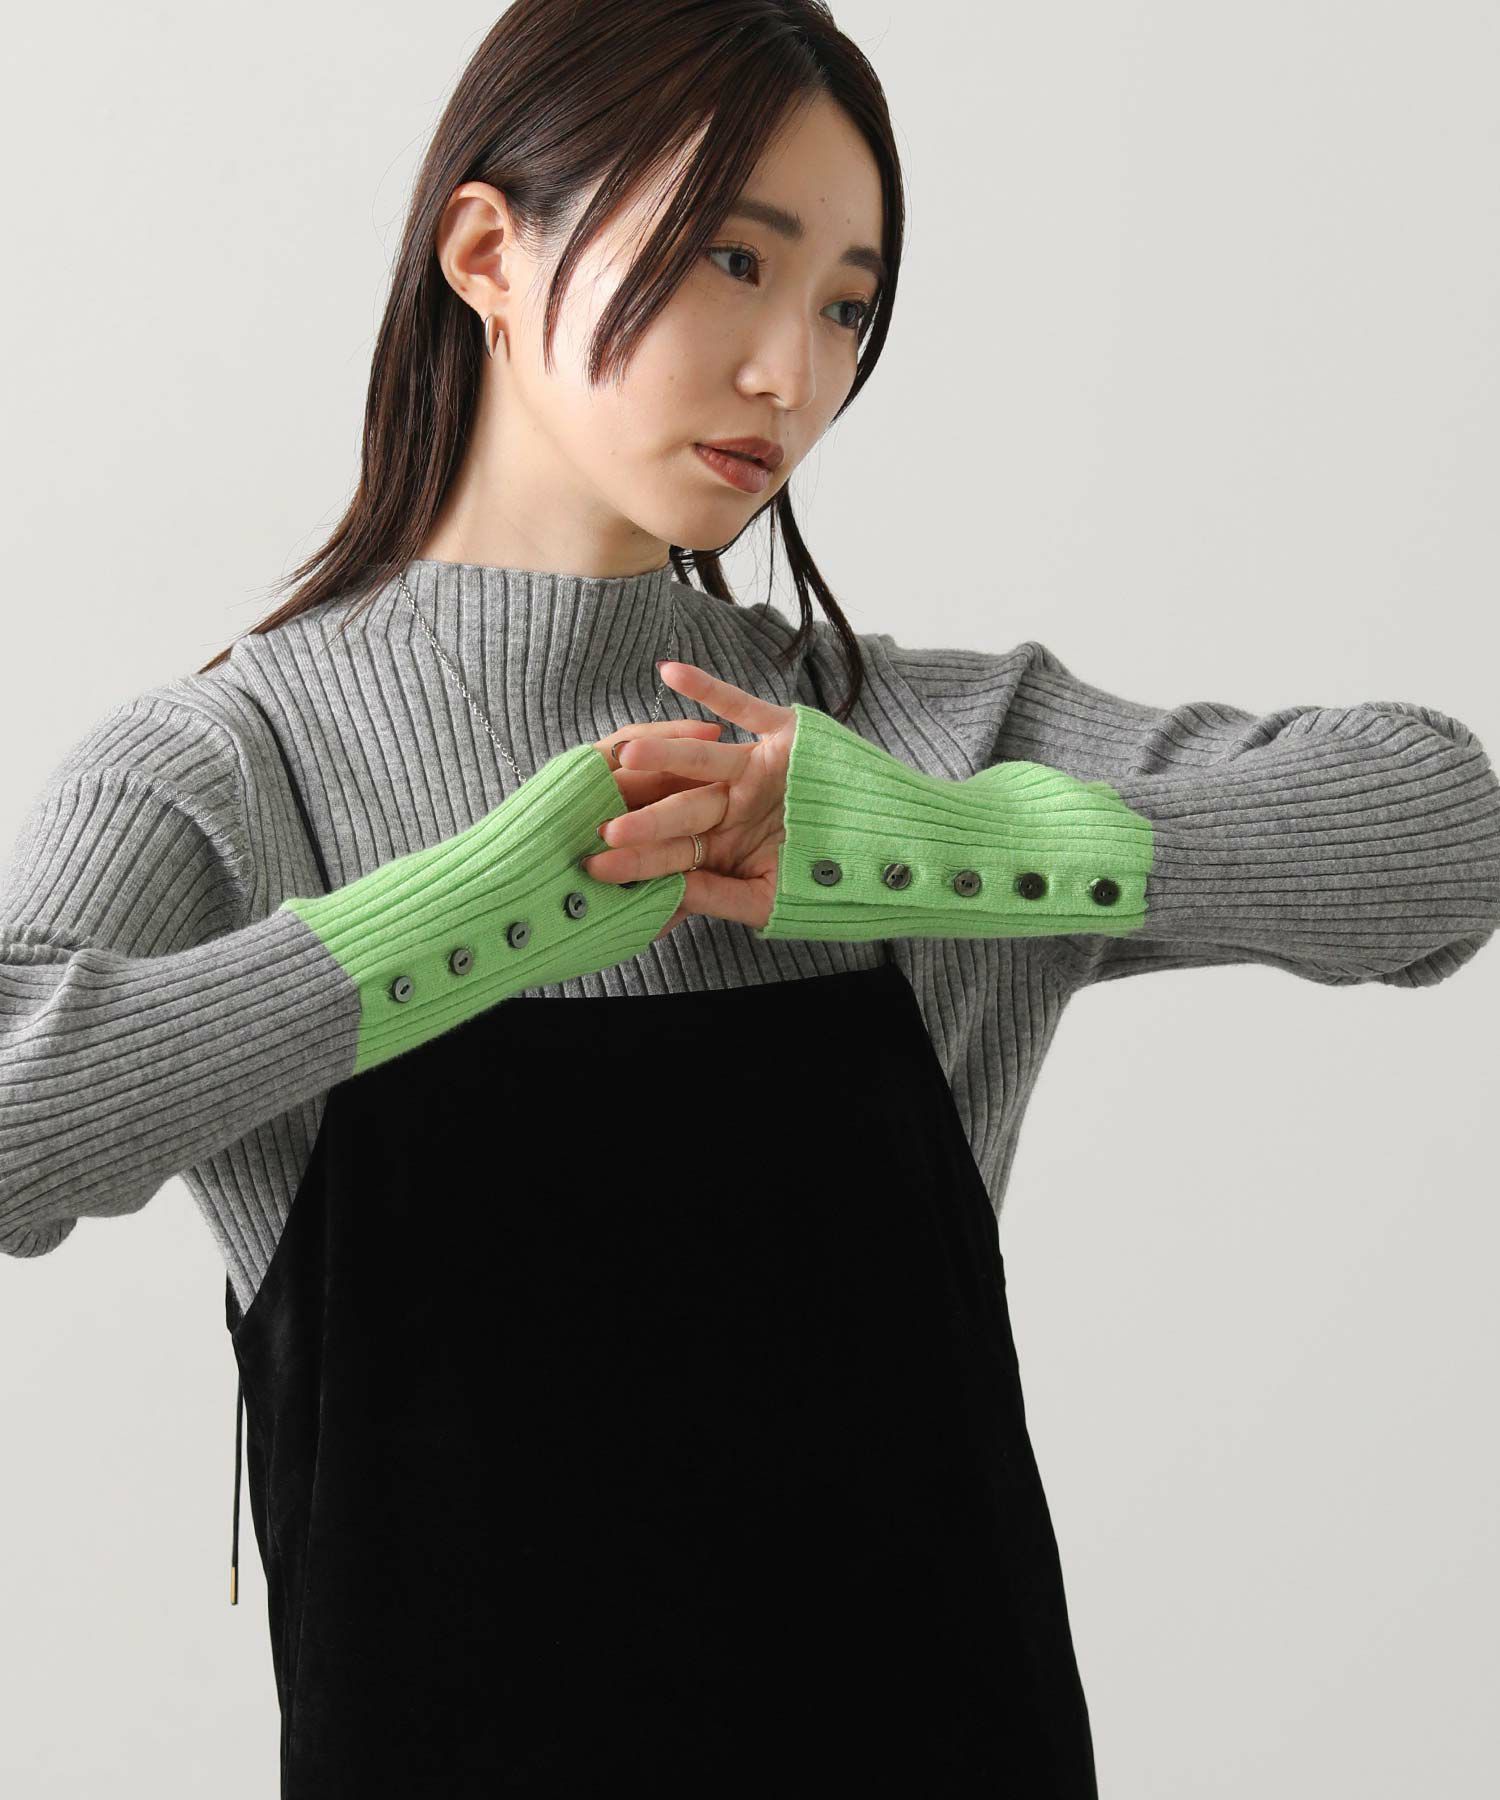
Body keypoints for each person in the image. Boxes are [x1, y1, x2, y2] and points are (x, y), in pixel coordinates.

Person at [3, 3, 1497, 1793]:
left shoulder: (895, 742)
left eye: (850, 306)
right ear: (487, 252)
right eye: (734, 258)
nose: (796, 373)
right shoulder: (238, 769)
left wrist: (918, 847)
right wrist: (467, 918)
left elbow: (1445, 831)